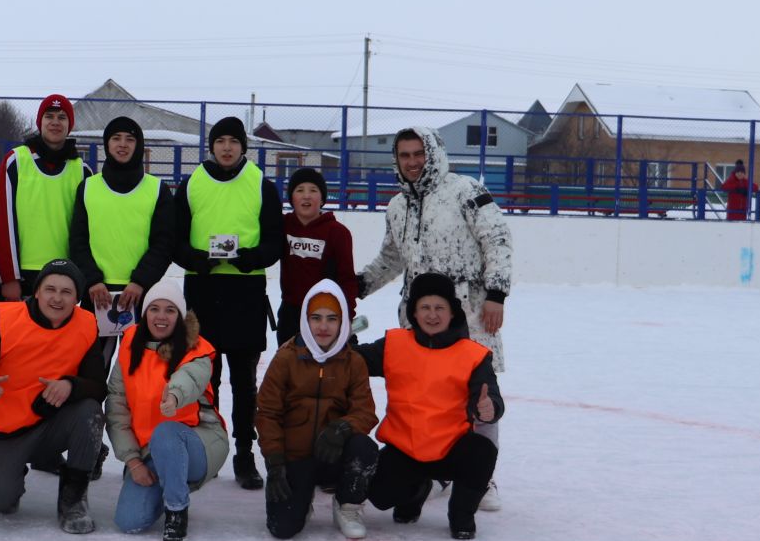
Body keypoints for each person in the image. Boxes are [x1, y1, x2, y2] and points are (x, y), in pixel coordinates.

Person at [357, 125, 513, 510]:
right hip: (418, 316)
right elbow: (391, 259)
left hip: (470, 310)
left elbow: (497, 239)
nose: (412, 162)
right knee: (426, 393)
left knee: (478, 392)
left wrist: (496, 294)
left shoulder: (465, 191)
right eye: (404, 155)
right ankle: (427, 470)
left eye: (418, 153)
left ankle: (483, 478)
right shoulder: (397, 206)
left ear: (433, 153)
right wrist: (355, 286)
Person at [0, 259, 107, 533]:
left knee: (90, 411)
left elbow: (97, 386)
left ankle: (73, 499)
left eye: (66, 292)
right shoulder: (8, 322)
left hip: (52, 424)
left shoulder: (86, 325)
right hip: (5, 430)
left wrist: (71, 385)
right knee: (0, 501)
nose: (57, 298)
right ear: (37, 292)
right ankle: (12, 467)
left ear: (77, 298)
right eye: (50, 289)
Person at [171, 116, 283, 490]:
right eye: (220, 140)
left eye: (234, 141)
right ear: (211, 146)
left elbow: (274, 243)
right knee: (206, 379)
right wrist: (196, 260)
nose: (227, 147)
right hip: (203, 290)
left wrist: (249, 258)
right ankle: (209, 448)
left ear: (243, 147)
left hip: (246, 292)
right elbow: (175, 241)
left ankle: (244, 454)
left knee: (245, 383)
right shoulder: (191, 184)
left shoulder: (261, 185)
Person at [356, 274, 503, 540]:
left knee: (482, 451)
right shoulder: (395, 344)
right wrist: (338, 342)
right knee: (379, 495)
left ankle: (461, 513)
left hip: (451, 450)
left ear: (451, 313)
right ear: (414, 311)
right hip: (405, 448)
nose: (432, 315)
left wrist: (489, 406)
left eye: (439, 308)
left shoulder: (473, 354)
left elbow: (490, 394)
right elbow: (355, 361)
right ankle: (416, 491)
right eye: (425, 307)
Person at [105, 278, 228, 541]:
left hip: (199, 441)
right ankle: (166, 477)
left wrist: (173, 396)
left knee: (166, 432)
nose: (161, 317)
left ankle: (176, 509)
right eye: (154, 309)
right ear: (145, 312)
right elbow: (117, 409)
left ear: (180, 316)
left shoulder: (196, 349)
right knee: (129, 521)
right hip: (149, 449)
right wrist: (133, 462)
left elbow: (190, 379)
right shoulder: (129, 347)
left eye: (170, 310)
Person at [256, 280, 379, 540]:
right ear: (305, 319)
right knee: (283, 528)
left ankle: (347, 504)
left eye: (332, 319)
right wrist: (275, 461)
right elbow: (268, 412)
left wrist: (342, 428)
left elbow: (365, 410)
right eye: (316, 318)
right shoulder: (286, 358)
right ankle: (302, 497)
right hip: (296, 456)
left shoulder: (353, 361)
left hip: (334, 453)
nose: (323, 326)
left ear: (342, 322)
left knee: (364, 448)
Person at [67, 115, 175, 336]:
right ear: (107, 144)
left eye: (130, 139)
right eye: (116, 138)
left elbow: (164, 244)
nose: (123, 144)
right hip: (98, 294)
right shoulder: (88, 188)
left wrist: (140, 281)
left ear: (139, 145)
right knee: (93, 368)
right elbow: (78, 241)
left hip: (140, 294)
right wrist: (93, 281)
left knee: (139, 367)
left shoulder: (156, 190)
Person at [0, 94, 91, 300]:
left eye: (62, 117)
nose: (55, 122)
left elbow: (88, 232)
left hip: (64, 275)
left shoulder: (82, 170)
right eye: (49, 116)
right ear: (40, 122)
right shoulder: (17, 160)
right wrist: (9, 277)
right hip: (21, 276)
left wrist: (81, 277)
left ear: (69, 125)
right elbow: (2, 222)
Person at [277, 166, 358, 346]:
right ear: (292, 198)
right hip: (291, 315)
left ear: (322, 198)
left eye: (313, 190)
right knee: (291, 370)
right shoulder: (283, 225)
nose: (306, 195)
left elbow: (347, 278)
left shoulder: (338, 232)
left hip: (325, 315)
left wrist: (347, 316)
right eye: (300, 190)